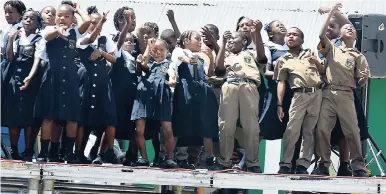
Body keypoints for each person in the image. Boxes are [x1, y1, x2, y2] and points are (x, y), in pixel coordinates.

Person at [312, 4, 369, 177]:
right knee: (322, 129)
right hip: (328, 93)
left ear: (356, 35)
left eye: (352, 28)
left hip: (346, 95)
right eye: (346, 27)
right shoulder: (331, 48)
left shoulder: (358, 56)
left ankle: (358, 166)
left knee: (352, 131)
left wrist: (364, 78)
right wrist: (331, 13)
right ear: (339, 34)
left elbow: (359, 82)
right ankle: (323, 165)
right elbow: (322, 35)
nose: (350, 28)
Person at [33, 3, 91, 163]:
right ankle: (43, 152)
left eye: (67, 16)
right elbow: (47, 37)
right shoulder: (49, 30)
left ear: (72, 19)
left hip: (71, 78)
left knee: (72, 117)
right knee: (49, 116)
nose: (62, 18)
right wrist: (58, 30)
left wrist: (78, 9)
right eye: (60, 15)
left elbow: (87, 22)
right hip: (53, 77)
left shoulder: (75, 32)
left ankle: (68, 152)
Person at [212, 20, 266, 173]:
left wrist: (257, 34)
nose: (230, 41)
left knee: (251, 127)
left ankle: (252, 162)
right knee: (225, 125)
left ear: (243, 41)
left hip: (249, 85)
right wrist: (222, 43)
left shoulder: (250, 53)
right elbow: (219, 70)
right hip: (229, 85)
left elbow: (262, 58)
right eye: (228, 39)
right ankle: (224, 161)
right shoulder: (225, 54)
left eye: (233, 39)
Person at [275, 27, 324, 174]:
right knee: (292, 130)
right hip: (298, 95)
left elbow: (323, 72)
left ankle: (303, 165)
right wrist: (279, 104)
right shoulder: (283, 60)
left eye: (295, 35)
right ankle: (285, 163)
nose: (290, 37)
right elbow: (281, 82)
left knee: (309, 131)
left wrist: (316, 61)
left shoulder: (311, 53)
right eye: (288, 35)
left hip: (316, 94)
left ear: (302, 40)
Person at [77, 6, 119, 164]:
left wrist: (102, 53)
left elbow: (114, 59)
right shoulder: (81, 38)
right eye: (92, 23)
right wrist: (101, 20)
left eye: (98, 23)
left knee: (108, 117)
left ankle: (107, 151)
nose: (95, 26)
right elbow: (90, 39)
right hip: (87, 81)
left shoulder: (105, 39)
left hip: (102, 82)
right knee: (83, 119)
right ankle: (79, 152)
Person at [169, 30, 218, 168]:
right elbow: (179, 60)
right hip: (186, 90)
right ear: (186, 41)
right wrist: (189, 59)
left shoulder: (201, 57)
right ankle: (173, 157)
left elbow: (209, 74)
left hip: (202, 92)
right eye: (197, 38)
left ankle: (209, 158)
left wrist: (211, 57)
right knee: (181, 123)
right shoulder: (179, 51)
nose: (200, 41)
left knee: (205, 125)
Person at [2, 8, 43, 161]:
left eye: (32, 19)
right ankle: (13, 150)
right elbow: (9, 57)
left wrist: (29, 78)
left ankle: (28, 150)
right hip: (14, 80)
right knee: (14, 117)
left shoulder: (39, 39)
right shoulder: (17, 36)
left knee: (29, 119)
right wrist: (11, 39)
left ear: (38, 23)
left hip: (31, 82)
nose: (28, 21)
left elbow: (37, 61)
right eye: (26, 18)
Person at [131, 38, 178, 168]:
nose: (158, 52)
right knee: (139, 129)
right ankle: (144, 158)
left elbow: (172, 72)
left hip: (162, 96)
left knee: (167, 129)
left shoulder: (169, 63)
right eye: (155, 50)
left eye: (161, 50)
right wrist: (148, 47)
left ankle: (170, 158)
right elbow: (143, 63)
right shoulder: (149, 64)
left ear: (167, 51)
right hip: (144, 96)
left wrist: (172, 79)